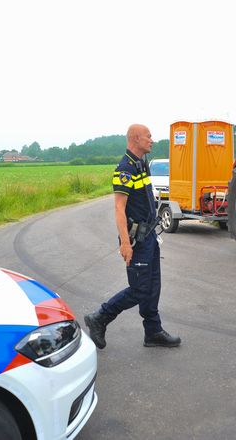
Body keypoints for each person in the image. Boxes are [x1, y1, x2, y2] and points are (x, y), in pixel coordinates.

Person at [84, 124, 181, 349]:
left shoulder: (141, 164)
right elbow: (119, 209)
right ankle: (100, 317)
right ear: (136, 139)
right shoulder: (125, 168)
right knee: (139, 289)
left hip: (149, 236)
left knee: (153, 285)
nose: (152, 140)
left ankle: (153, 331)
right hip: (136, 240)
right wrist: (125, 243)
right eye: (148, 136)